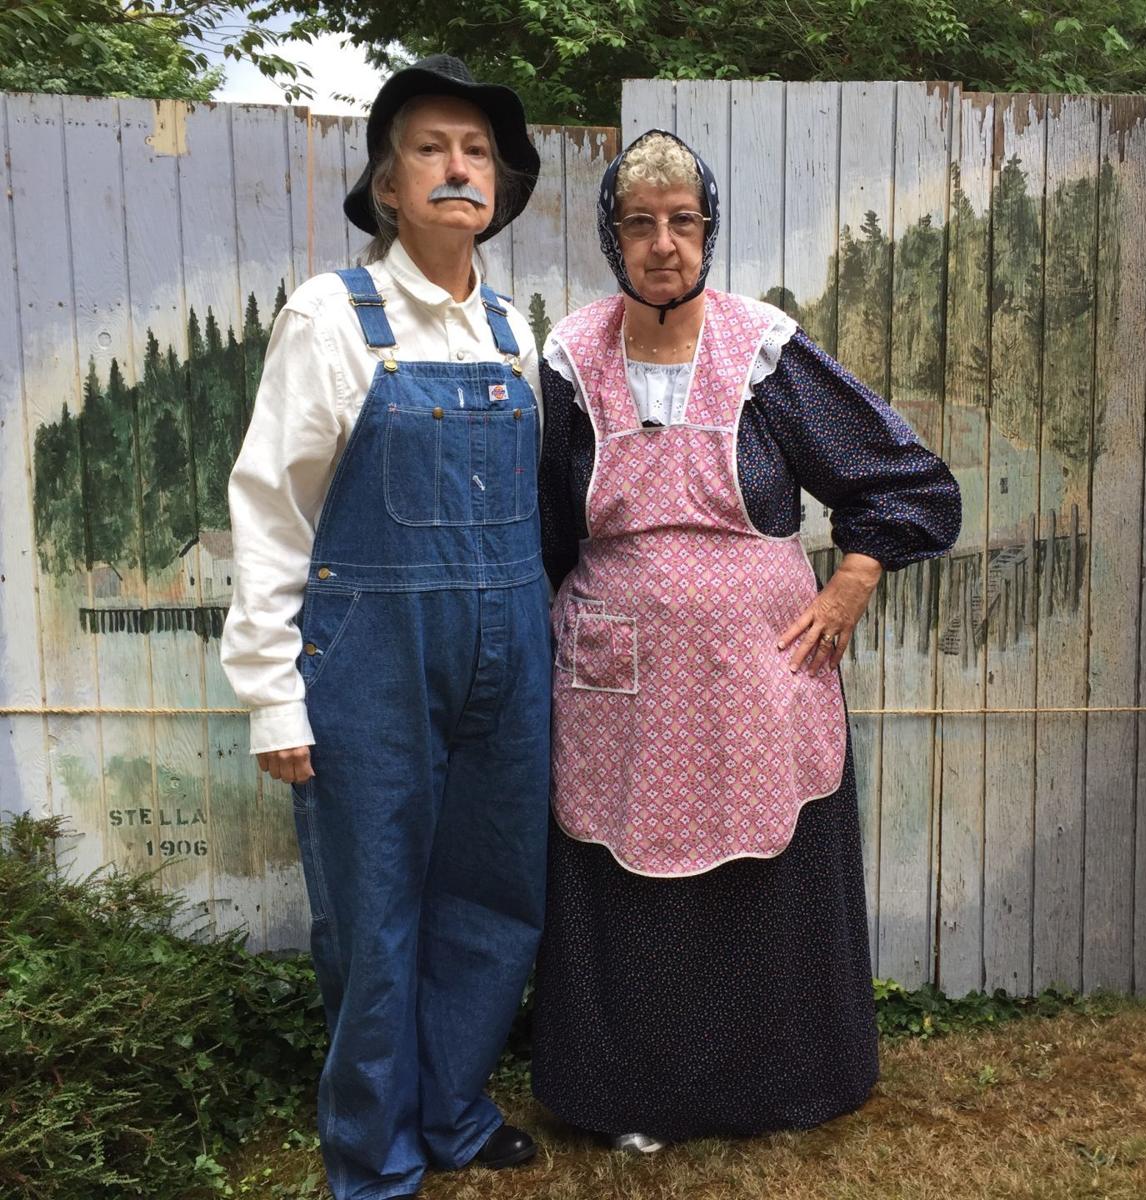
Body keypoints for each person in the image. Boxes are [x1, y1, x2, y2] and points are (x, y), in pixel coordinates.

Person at [532, 129, 961, 1149]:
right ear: (611, 237)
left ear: (708, 232)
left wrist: (856, 574)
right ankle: (629, 1099)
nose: (663, 245)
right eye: (640, 225)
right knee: (627, 885)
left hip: (762, 676)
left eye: (683, 222)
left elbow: (905, 480)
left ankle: (781, 1089)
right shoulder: (569, 360)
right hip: (615, 687)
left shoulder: (763, 351)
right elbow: (546, 529)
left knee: (765, 882)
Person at [221, 55, 549, 1199]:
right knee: (373, 913)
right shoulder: (331, 316)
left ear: (498, 190)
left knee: (495, 896)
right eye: (431, 149)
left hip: (511, 661)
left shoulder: (516, 334)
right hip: (369, 665)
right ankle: (374, 1151)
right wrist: (273, 688)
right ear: (388, 187)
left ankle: (456, 1113)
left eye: (478, 153)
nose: (459, 168)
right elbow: (272, 508)